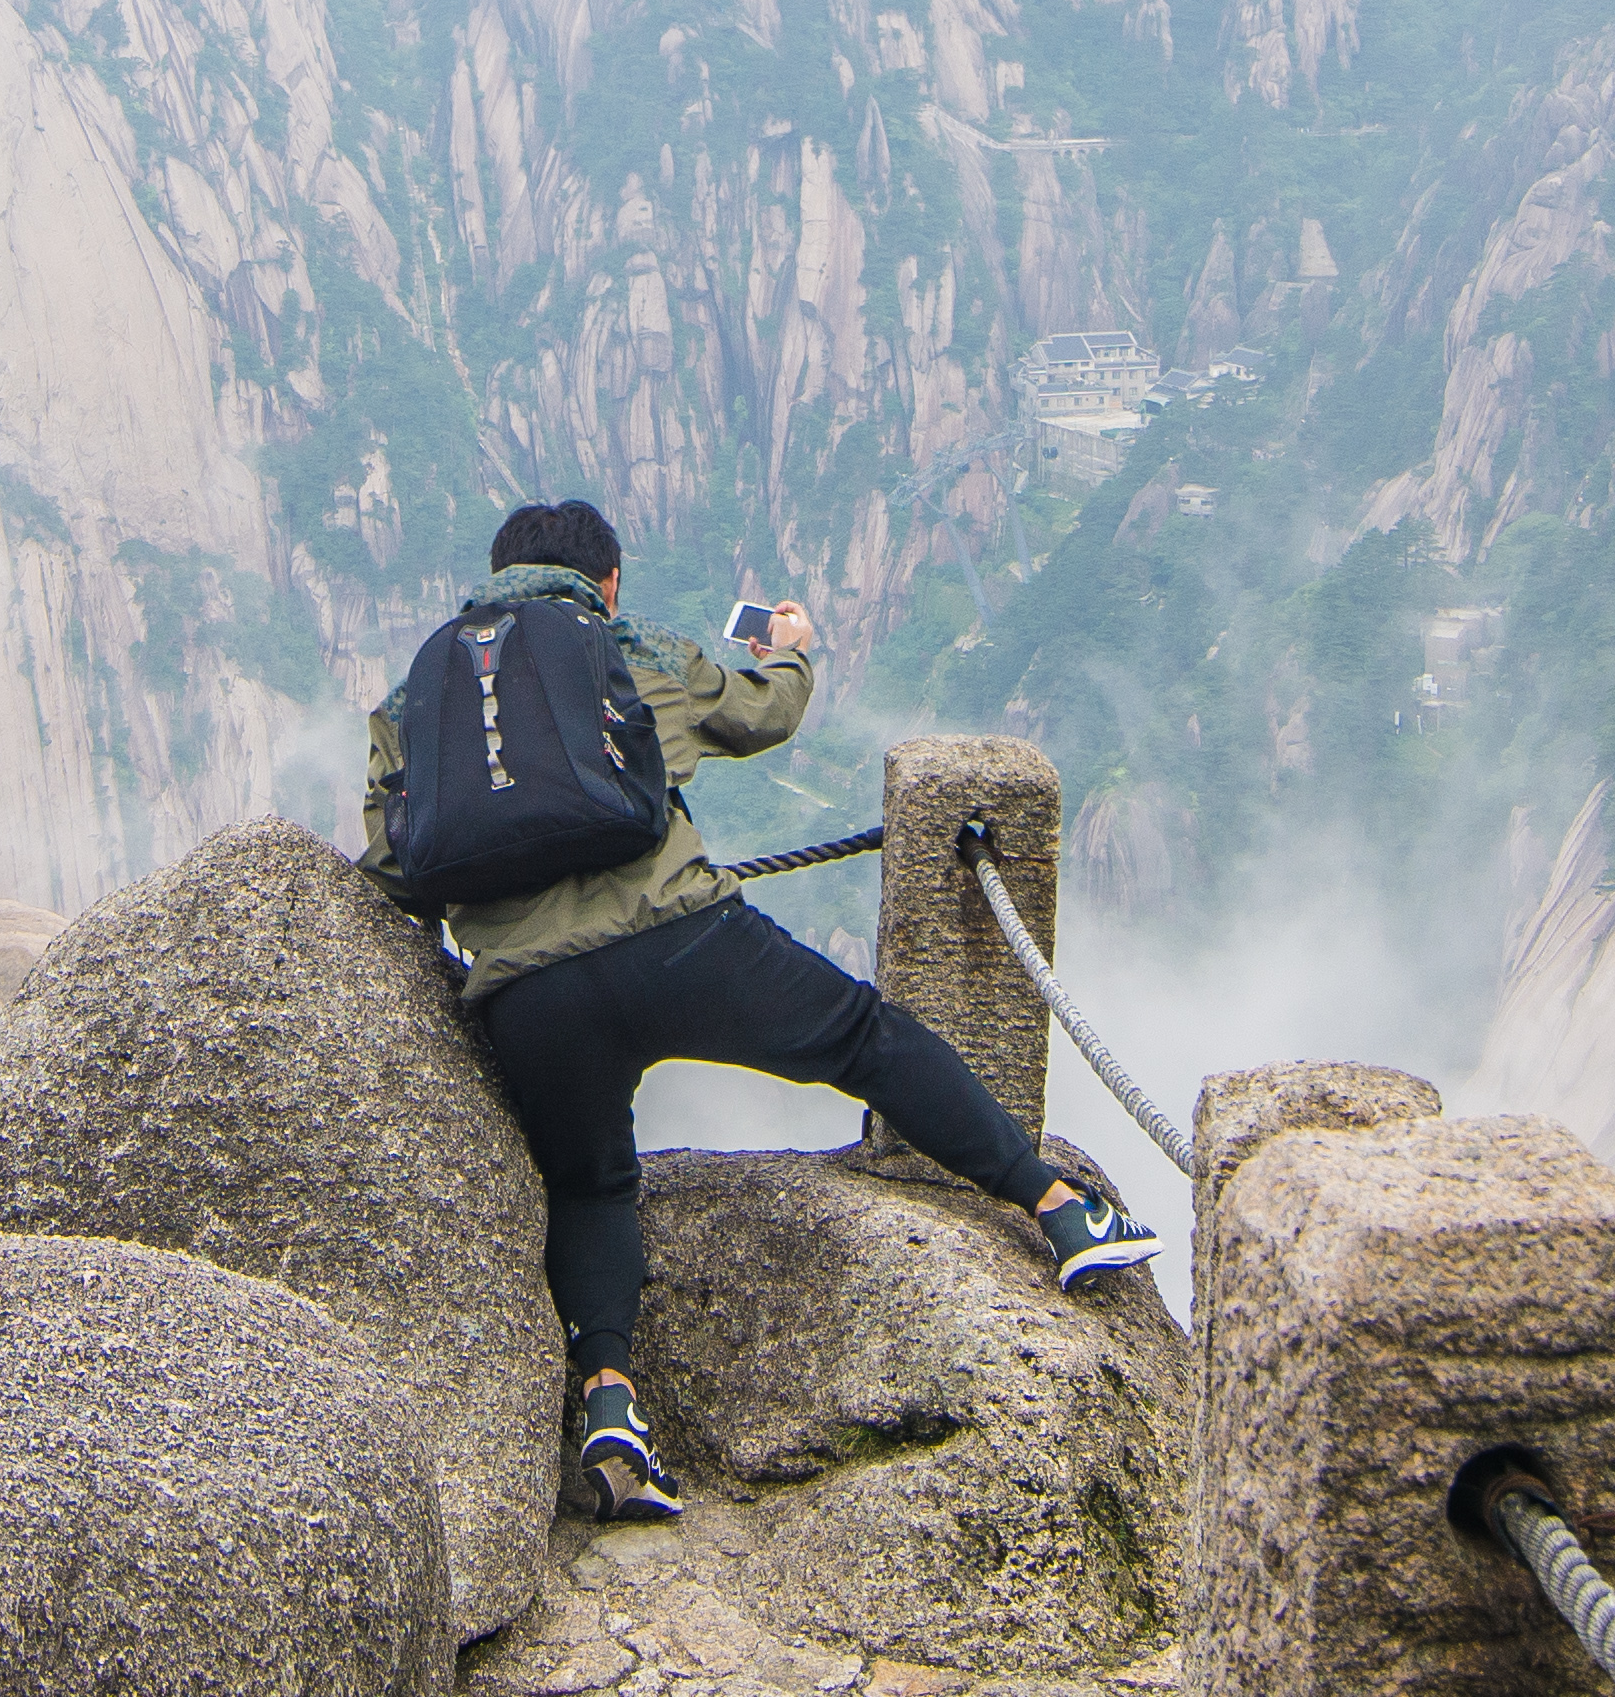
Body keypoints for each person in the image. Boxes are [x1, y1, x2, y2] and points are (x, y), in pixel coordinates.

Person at [363, 496, 1162, 1523]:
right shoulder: (628, 642)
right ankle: (1062, 1209)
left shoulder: (408, 695)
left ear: (495, 572)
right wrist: (789, 651)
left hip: (529, 992)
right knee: (864, 1040)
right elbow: (761, 715)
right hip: (682, 941)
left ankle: (611, 1408)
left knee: (593, 1186)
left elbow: (393, 860)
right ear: (604, 583)